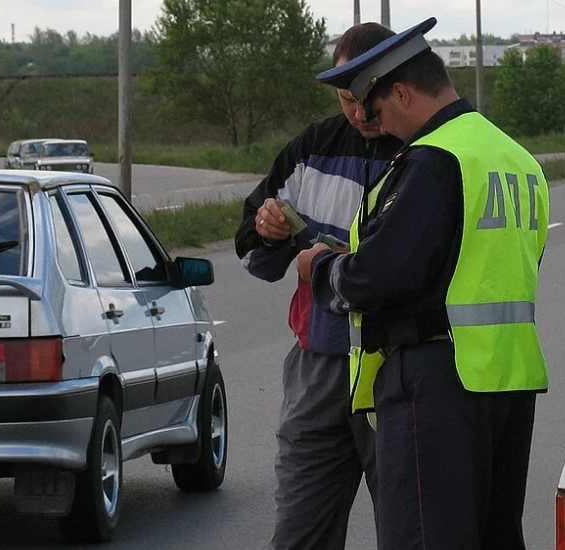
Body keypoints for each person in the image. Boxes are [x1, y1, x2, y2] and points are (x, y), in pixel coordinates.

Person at [297, 17, 551, 550]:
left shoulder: (435, 160)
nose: (378, 124)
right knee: (493, 535)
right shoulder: (515, 158)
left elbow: (376, 279)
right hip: (506, 378)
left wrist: (320, 267)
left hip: (436, 382)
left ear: (403, 92)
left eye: (378, 109)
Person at [233, 22, 403, 550]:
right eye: (345, 100)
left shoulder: (426, 152)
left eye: (365, 98)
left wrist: (330, 255)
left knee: (411, 533)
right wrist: (268, 229)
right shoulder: (313, 147)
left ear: (393, 84)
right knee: (299, 535)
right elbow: (250, 246)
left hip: (399, 368)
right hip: (320, 371)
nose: (358, 112)